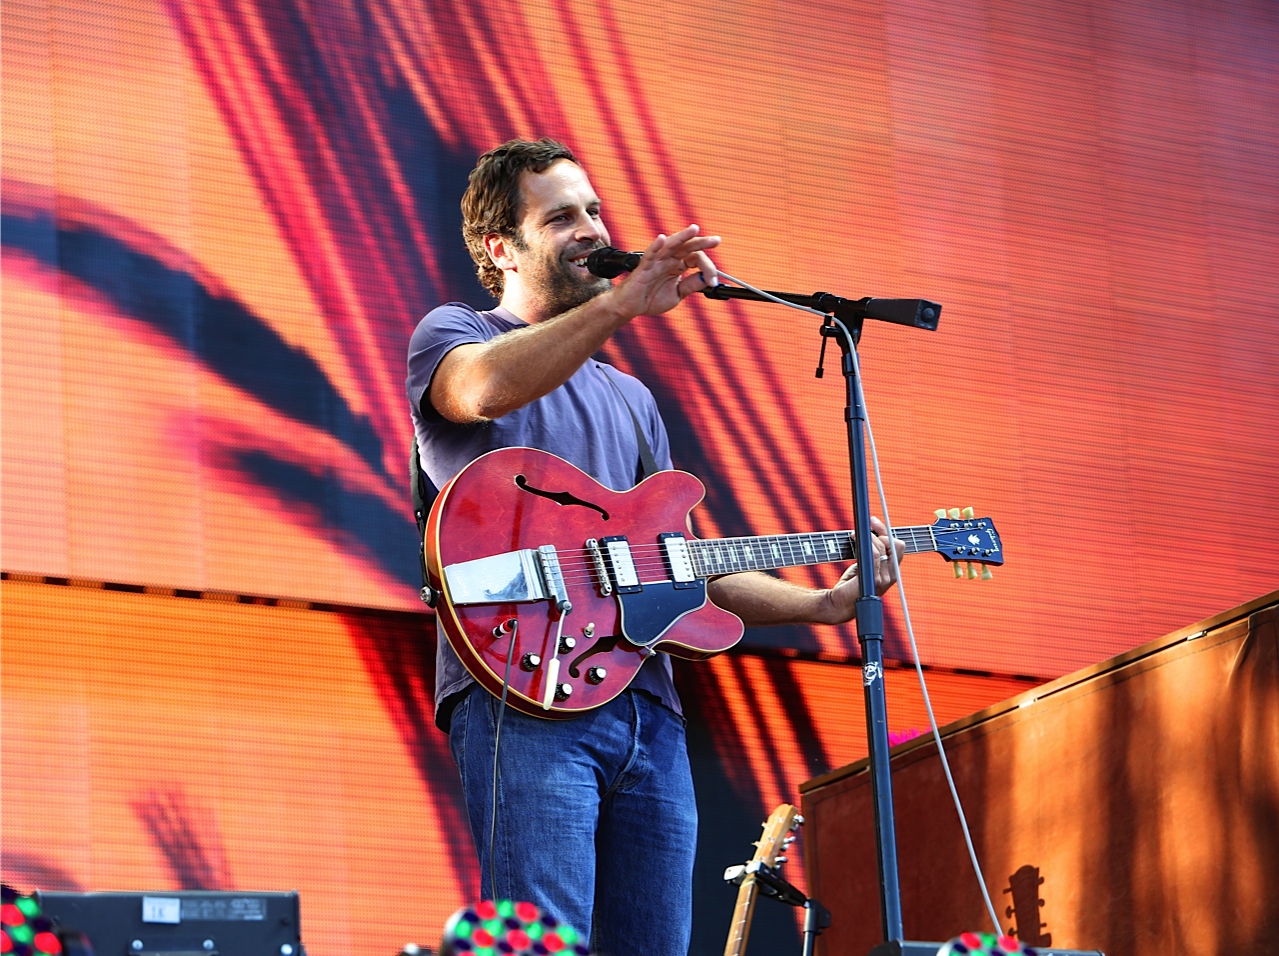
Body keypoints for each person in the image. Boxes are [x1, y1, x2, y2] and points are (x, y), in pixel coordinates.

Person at [406, 137, 902, 956]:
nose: (590, 229)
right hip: (521, 693)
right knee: (544, 943)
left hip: (647, 706)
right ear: (501, 248)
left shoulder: (631, 398)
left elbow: (679, 564)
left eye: (594, 210)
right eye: (560, 217)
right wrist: (619, 306)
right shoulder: (455, 332)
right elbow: (482, 389)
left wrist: (823, 603)